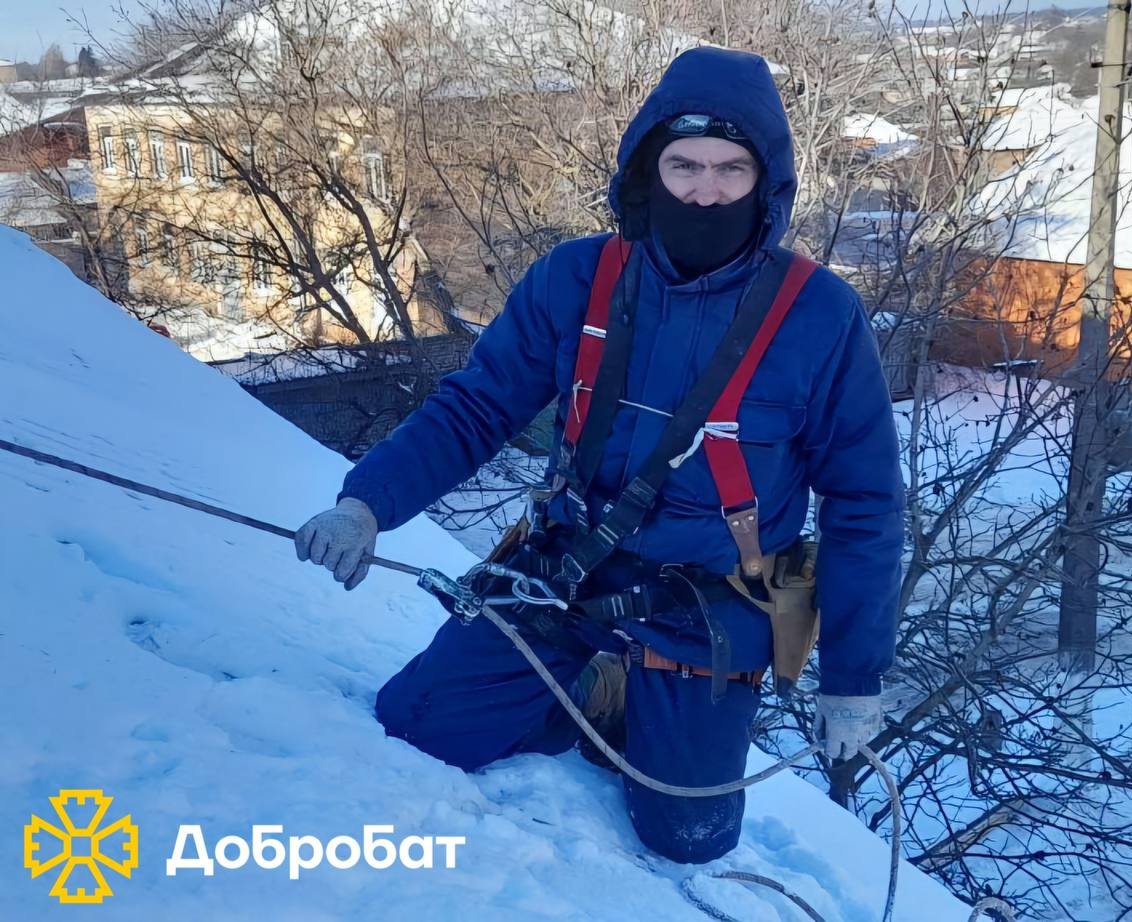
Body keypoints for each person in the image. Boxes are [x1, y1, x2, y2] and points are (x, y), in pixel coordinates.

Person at [295, 46, 905, 865]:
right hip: (565, 572)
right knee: (417, 727)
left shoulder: (819, 316)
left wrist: (853, 678)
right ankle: (586, 681)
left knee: (684, 836)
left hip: (708, 610)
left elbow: (865, 503)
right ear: (646, 167)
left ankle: (632, 698)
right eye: (683, 164)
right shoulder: (578, 279)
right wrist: (367, 501)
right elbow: (477, 406)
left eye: (731, 169)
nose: (705, 190)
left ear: (768, 183)